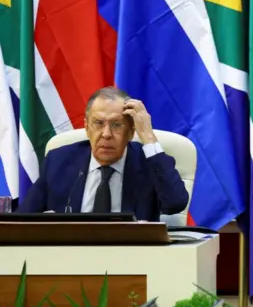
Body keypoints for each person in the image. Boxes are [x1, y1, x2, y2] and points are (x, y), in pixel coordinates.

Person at [17, 87, 189, 221]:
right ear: (86, 127)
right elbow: (22, 220)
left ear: (130, 132)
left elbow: (175, 203)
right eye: (98, 123)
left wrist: (149, 137)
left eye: (116, 125)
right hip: (70, 259)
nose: (106, 134)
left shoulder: (149, 164)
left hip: (131, 259)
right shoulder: (59, 161)